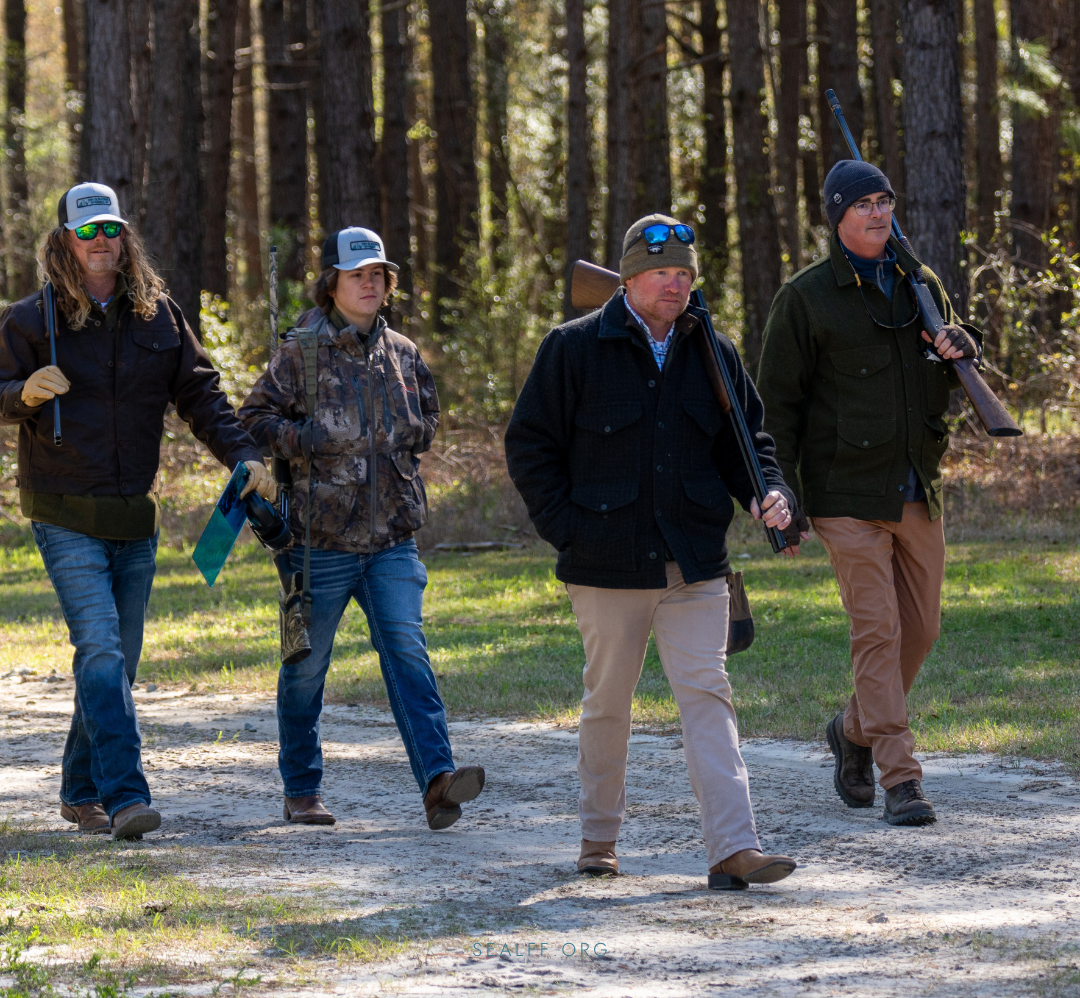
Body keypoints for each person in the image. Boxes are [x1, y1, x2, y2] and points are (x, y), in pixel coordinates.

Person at [504, 214, 804, 889]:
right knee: (609, 702)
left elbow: (747, 445)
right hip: (604, 564)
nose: (675, 284)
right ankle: (598, 840)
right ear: (630, 277)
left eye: (684, 274)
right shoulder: (573, 348)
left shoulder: (713, 353)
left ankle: (734, 847)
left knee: (709, 696)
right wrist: (570, 530)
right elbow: (529, 446)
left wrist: (769, 493)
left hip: (695, 562)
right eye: (661, 272)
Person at [0, 182, 273, 839]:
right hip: (62, 512)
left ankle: (77, 789)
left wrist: (247, 458)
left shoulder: (158, 317)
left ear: (124, 237)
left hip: (133, 520)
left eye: (111, 230)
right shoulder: (30, 320)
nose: (101, 243)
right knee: (99, 652)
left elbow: (203, 398)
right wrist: (22, 394)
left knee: (116, 662)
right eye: (87, 232)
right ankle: (127, 797)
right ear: (64, 239)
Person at [756, 160, 981, 827]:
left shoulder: (923, 284)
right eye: (863, 205)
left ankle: (851, 729)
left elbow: (946, 380)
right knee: (878, 632)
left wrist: (961, 349)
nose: (879, 213)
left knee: (923, 631)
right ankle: (900, 777)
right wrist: (781, 494)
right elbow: (777, 407)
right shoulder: (806, 297)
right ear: (838, 217)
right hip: (844, 494)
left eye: (885, 201)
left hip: (917, 488)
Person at [239, 227, 485, 829]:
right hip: (319, 543)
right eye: (357, 275)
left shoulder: (401, 350)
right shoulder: (301, 351)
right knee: (306, 668)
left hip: (392, 539)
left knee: (407, 654)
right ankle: (302, 788)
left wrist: (405, 439)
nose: (370, 283)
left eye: (378, 273)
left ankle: (438, 782)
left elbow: (427, 416)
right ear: (332, 286)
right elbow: (254, 417)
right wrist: (306, 441)